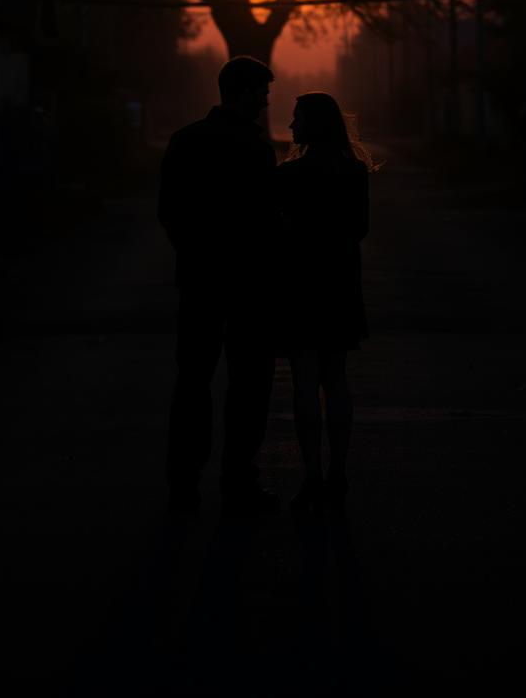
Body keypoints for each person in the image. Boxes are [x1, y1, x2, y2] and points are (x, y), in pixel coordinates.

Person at [158, 55, 279, 516]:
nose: (266, 103)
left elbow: (168, 211)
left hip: (199, 280)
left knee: (193, 381)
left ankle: (183, 481)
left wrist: (193, 250)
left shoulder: (185, 141)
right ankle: (237, 478)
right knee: (248, 385)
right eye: (263, 94)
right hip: (248, 285)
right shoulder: (255, 148)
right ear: (245, 92)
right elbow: (269, 222)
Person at [277, 92, 371, 516]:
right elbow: (360, 229)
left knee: (304, 382)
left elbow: (275, 230)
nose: (291, 125)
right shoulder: (354, 171)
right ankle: (338, 470)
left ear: (312, 124)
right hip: (340, 282)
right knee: (336, 378)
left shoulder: (290, 175)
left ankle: (311, 474)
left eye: (296, 119)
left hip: (300, 282)